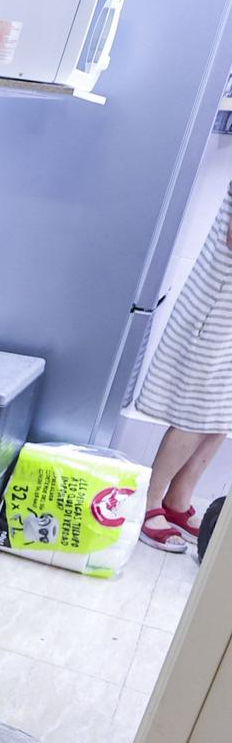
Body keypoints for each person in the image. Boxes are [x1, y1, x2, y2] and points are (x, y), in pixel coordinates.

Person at [137, 177, 232, 552]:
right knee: (196, 414)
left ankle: (178, 501)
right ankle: (148, 503)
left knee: (223, 413)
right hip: (217, 308)